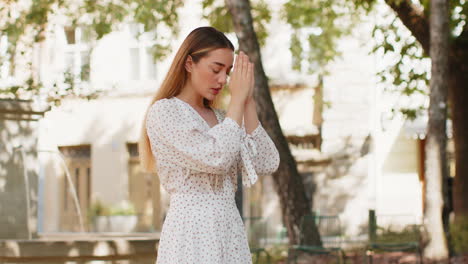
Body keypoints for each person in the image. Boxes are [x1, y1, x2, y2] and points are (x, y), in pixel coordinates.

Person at [139, 26, 280, 264]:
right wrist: (236, 101)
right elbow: (217, 158)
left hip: (229, 230)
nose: (223, 80)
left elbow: (267, 161)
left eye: (228, 72)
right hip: (191, 232)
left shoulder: (226, 119)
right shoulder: (165, 112)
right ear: (189, 63)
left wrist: (247, 101)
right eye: (216, 69)